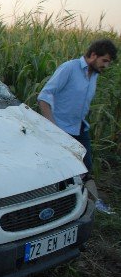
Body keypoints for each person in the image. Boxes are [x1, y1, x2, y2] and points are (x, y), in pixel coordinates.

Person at [37, 39, 117, 210]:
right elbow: (44, 96)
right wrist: (53, 129)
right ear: (93, 55)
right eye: (105, 60)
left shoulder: (93, 74)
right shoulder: (69, 68)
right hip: (61, 130)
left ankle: (93, 202)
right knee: (61, 173)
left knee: (86, 167)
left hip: (80, 127)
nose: (106, 66)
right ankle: (59, 207)